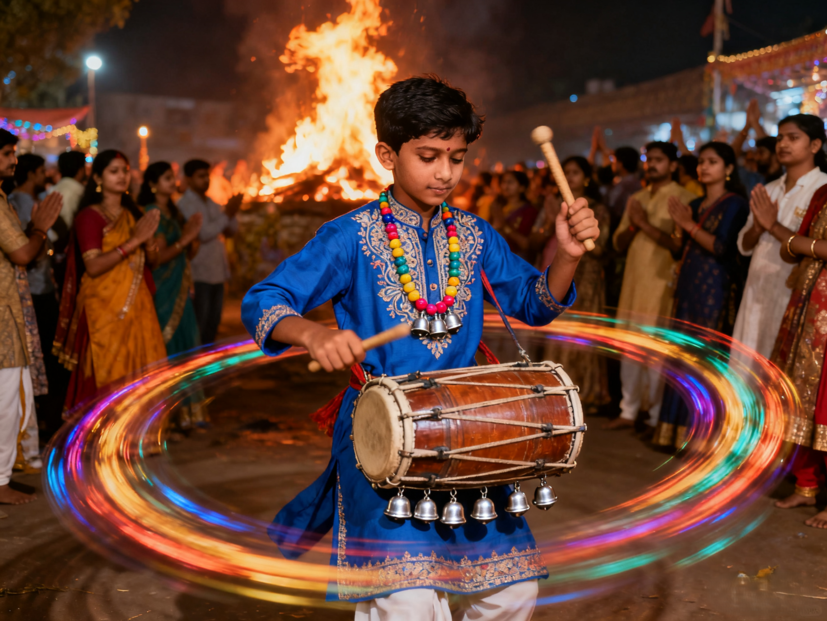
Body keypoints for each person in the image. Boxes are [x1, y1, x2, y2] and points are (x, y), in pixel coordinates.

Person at [242, 75, 598, 617]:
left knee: (515, 591)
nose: (445, 173)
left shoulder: (475, 235)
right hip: (384, 441)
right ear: (387, 153)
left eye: (457, 157)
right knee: (407, 603)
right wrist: (313, 332)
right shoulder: (350, 236)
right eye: (429, 155)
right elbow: (265, 299)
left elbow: (534, 303)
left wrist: (568, 255)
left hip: (470, 432)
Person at [53, 150, 167, 412]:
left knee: (142, 368)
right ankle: (101, 438)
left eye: (125, 171)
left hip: (138, 306)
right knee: (106, 370)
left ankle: (136, 436)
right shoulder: (89, 217)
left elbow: (152, 262)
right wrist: (135, 241)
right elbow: (93, 267)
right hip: (102, 309)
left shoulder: (133, 213)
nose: (122, 176)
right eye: (113, 171)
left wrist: (149, 243)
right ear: (98, 177)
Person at [654, 143, 750, 448]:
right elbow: (681, 249)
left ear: (729, 169)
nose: (704, 167)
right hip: (689, 287)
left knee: (705, 358)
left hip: (715, 289)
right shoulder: (693, 203)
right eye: (701, 162)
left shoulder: (734, 204)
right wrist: (681, 228)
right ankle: (673, 431)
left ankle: (703, 437)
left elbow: (722, 247)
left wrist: (687, 224)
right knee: (681, 356)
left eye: (713, 162)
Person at [606, 142, 697, 433]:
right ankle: (628, 411)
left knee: (657, 355)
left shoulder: (687, 198)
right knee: (630, 351)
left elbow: (678, 246)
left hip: (662, 287)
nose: (652, 165)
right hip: (633, 286)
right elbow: (618, 244)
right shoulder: (637, 197)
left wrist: (643, 224)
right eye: (649, 160)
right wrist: (634, 225)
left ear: (673, 166)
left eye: (659, 160)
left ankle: (657, 417)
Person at [0, 129, 62, 505]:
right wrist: (40, 228)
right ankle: (1, 481)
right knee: (8, 401)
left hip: (9, 311)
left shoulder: (3, 199)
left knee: (12, 399)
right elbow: (23, 254)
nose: (14, 160)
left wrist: (35, 232)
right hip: (3, 317)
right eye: (7, 153)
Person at [733, 114, 827, 362]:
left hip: (792, 295)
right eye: (780, 138)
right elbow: (743, 245)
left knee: (778, 369)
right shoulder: (769, 188)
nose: (783, 144)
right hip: (756, 289)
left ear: (815, 145)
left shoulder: (822, 189)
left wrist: (772, 225)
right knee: (745, 367)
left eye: (793, 138)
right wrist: (759, 227)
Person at [769, 182, 827, 529]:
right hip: (807, 306)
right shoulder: (822, 193)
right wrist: (800, 245)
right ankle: (805, 483)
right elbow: (789, 249)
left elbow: (796, 242)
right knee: (801, 393)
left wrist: (801, 244)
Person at [539, 156, 611, 413]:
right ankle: (558, 392)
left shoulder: (597, 210)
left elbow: (602, 248)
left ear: (587, 178)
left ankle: (587, 393)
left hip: (587, 275)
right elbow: (541, 236)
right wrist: (550, 221)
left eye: (575, 173)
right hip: (558, 267)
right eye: (565, 172)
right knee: (559, 329)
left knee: (583, 333)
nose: (570, 177)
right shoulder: (553, 205)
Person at [137, 162, 207, 429]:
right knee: (168, 348)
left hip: (179, 287)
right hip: (162, 289)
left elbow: (185, 253)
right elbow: (158, 259)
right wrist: (187, 238)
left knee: (186, 345)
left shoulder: (172, 210)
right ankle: (165, 418)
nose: (173, 181)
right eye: (167, 178)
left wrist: (192, 240)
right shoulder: (152, 212)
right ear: (153, 183)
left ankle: (185, 415)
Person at [8, 154, 71, 441]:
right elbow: (26, 248)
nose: (46, 174)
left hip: (44, 287)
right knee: (38, 360)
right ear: (33, 173)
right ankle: (41, 427)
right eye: (8, 152)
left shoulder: (38, 197)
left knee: (49, 358)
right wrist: (42, 232)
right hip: (29, 291)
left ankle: (49, 422)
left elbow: (58, 232)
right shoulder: (20, 201)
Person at [178, 160, 243, 345]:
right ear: (189, 179)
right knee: (200, 323)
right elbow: (204, 233)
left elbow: (231, 230)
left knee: (213, 323)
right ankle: (195, 367)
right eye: (201, 176)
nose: (206, 180)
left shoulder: (213, 203)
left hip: (217, 272)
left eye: (207, 175)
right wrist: (227, 214)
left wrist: (232, 212)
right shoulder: (185, 204)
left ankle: (205, 365)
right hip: (199, 273)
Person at [491, 170, 540, 262]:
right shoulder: (499, 207)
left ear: (522, 187)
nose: (505, 186)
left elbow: (525, 244)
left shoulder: (529, 211)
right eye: (503, 182)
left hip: (517, 260)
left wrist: (504, 225)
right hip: (497, 257)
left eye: (510, 182)